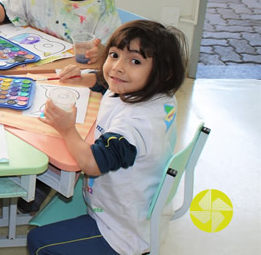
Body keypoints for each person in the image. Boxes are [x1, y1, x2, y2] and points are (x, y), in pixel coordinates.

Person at [27, 20, 188, 255]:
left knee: (39, 242)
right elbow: (110, 86)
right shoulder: (159, 97)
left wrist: (67, 130)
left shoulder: (135, 127)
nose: (117, 68)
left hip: (120, 231)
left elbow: (92, 164)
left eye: (135, 61)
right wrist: (86, 78)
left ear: (164, 72)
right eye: (114, 55)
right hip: (134, 209)